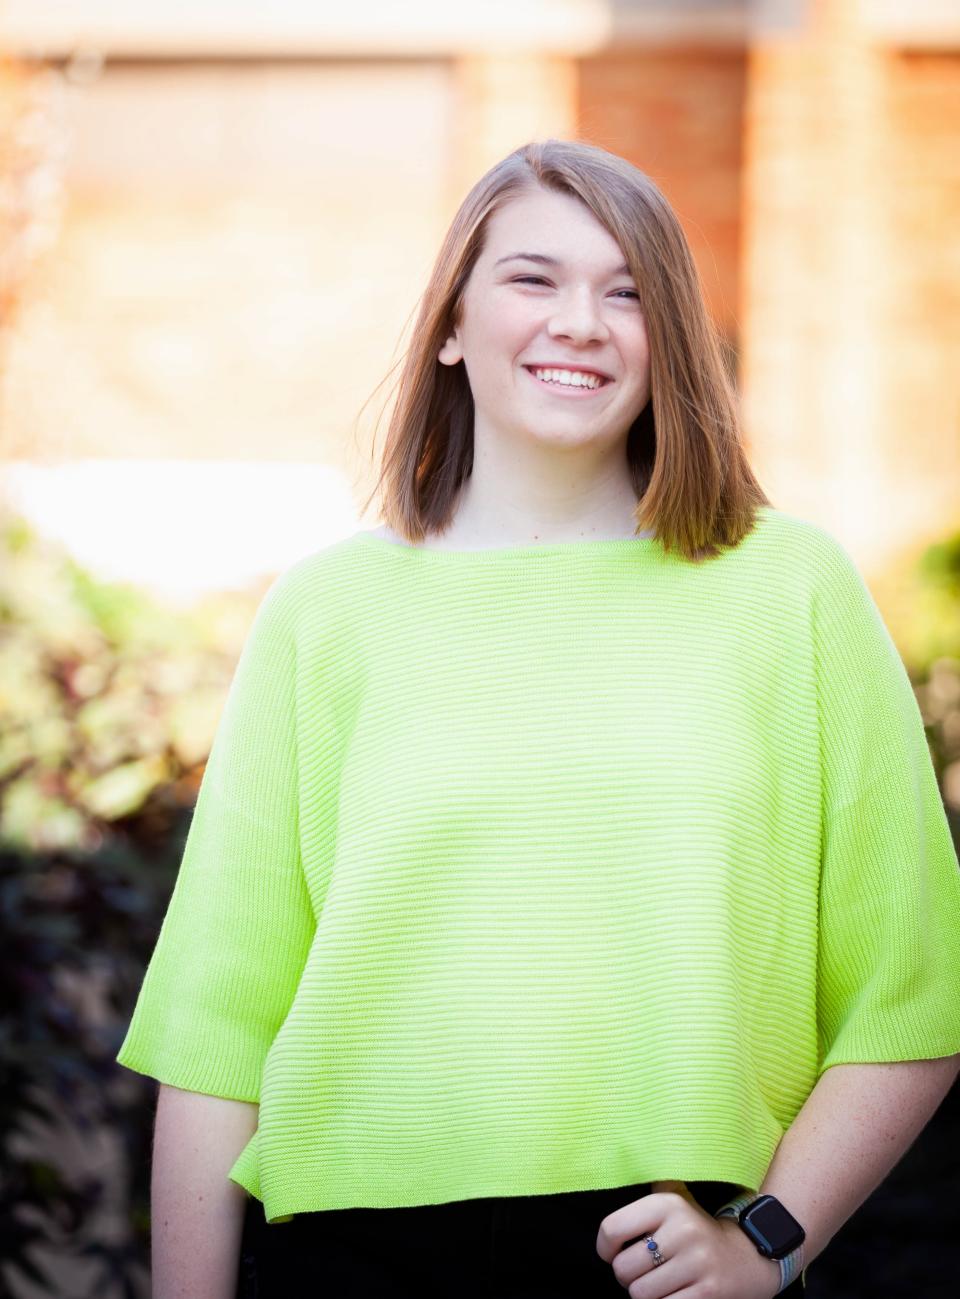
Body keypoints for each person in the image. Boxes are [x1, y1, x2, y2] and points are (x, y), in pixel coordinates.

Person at [116, 138, 960, 1299]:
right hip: (352, 1262)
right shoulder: (327, 610)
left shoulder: (792, 590)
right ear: (452, 324)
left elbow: (914, 992)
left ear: (669, 342)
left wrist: (769, 1238)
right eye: (533, 278)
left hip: (664, 1266)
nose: (581, 321)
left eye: (628, 293)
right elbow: (218, 1029)